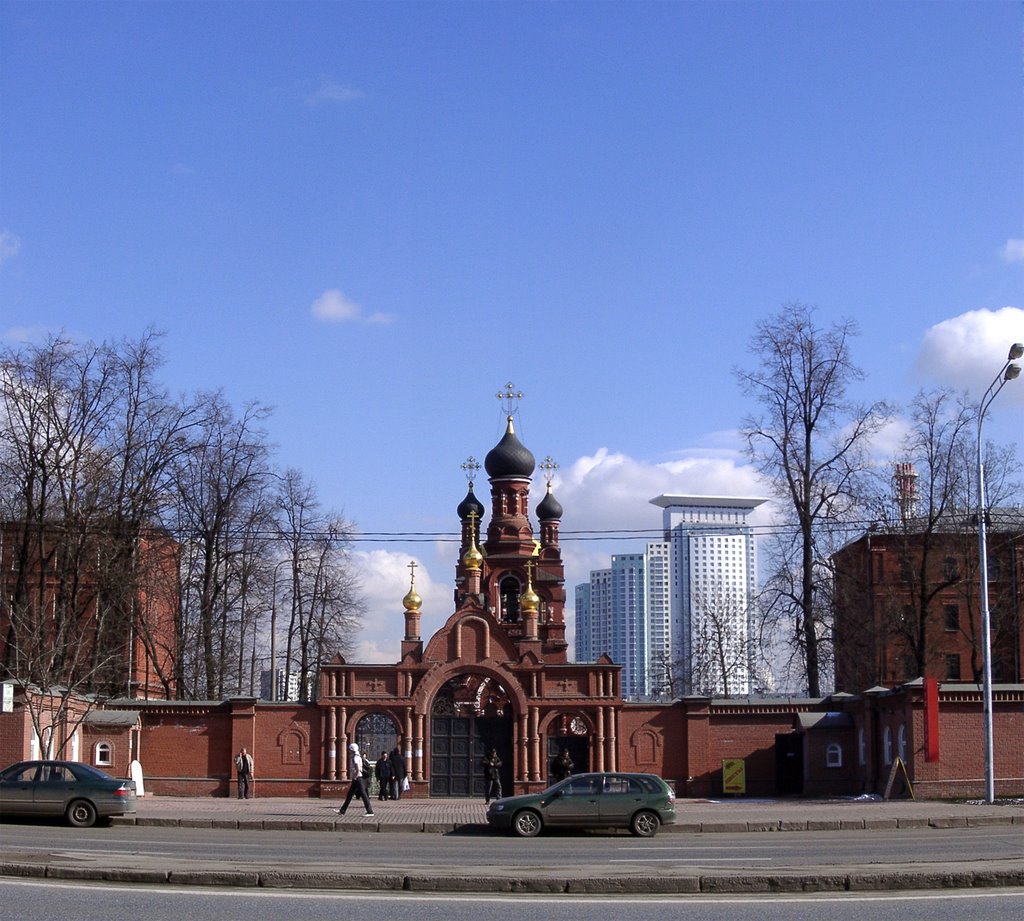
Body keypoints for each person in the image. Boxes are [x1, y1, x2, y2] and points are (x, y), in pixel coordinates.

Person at [338, 741, 374, 816]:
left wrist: (355, 776)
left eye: (349, 749)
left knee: (363, 794)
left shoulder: (355, 758)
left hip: (358, 779)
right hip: (357, 778)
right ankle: (342, 810)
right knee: (350, 794)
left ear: (352, 750)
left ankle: (370, 811)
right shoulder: (357, 757)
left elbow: (357, 768)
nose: (349, 751)